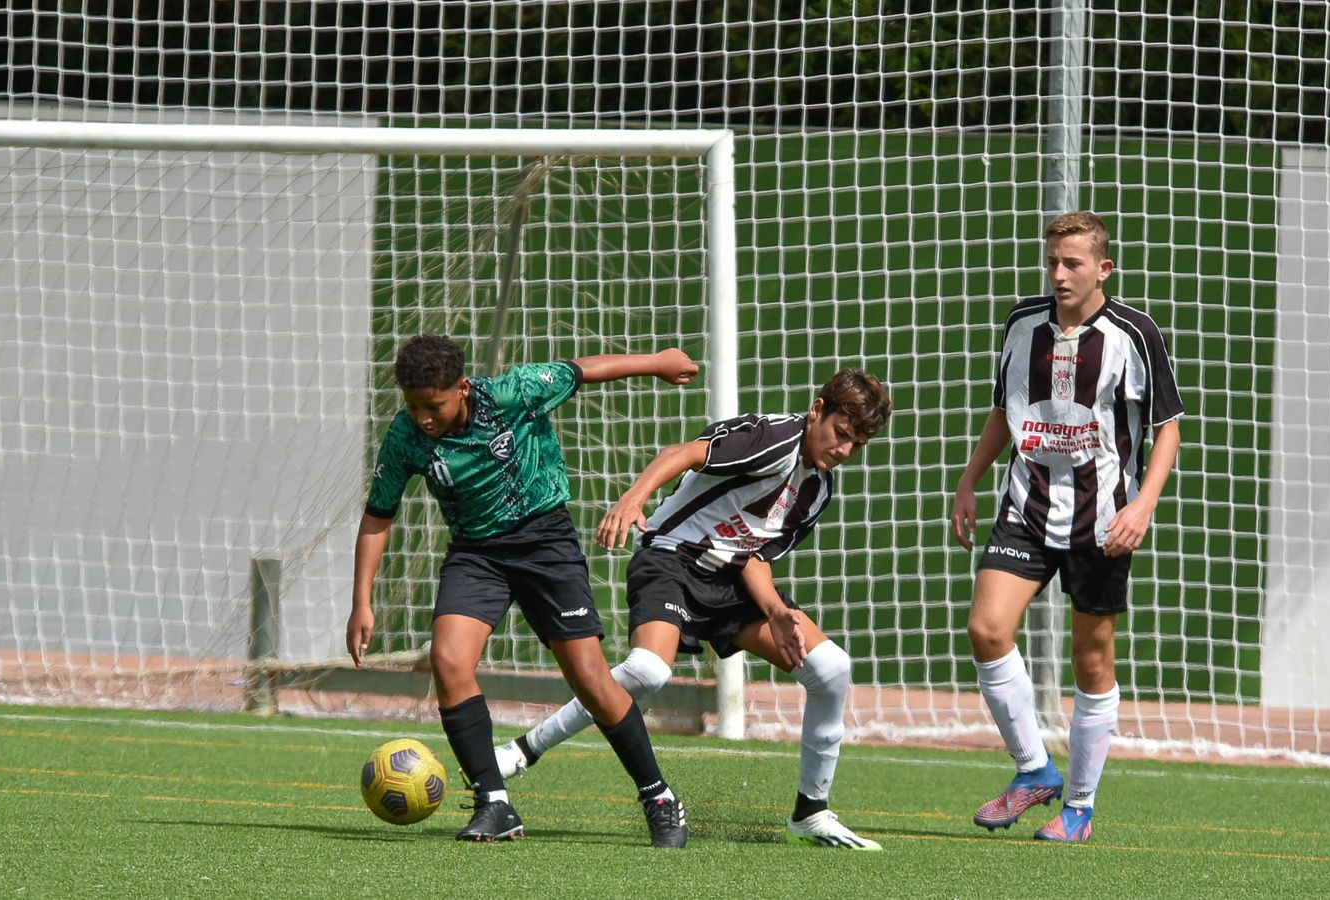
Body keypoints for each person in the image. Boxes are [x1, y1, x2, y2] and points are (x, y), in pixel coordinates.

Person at [492, 369, 892, 851]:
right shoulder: (771, 438)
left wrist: (774, 611)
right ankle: (523, 750)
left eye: (857, 444)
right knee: (647, 670)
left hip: (731, 580)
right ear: (817, 410)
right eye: (841, 433)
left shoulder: (818, 489)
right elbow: (682, 454)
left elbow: (754, 556)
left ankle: (811, 812)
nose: (844, 449)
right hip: (672, 560)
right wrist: (633, 500)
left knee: (831, 669)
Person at [346, 335, 699, 848]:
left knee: (590, 679)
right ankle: (494, 802)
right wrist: (361, 601)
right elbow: (379, 515)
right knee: (448, 661)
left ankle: (659, 797)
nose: (423, 417)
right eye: (413, 405)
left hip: (545, 542)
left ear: (462, 389)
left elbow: (583, 369)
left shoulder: (514, 392)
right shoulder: (405, 436)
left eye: (434, 406)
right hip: (476, 554)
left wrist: (657, 363)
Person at [950, 211, 1183, 843]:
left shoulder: (1135, 333)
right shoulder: (1022, 323)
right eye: (1052, 261)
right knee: (986, 629)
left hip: (1103, 520)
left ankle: (1078, 807)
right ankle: (1034, 769)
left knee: (1091, 659)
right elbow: (1005, 411)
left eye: (1072, 263)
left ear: (1103, 268)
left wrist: (1142, 507)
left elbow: (1168, 431)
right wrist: (970, 480)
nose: (1059, 273)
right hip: (1025, 505)